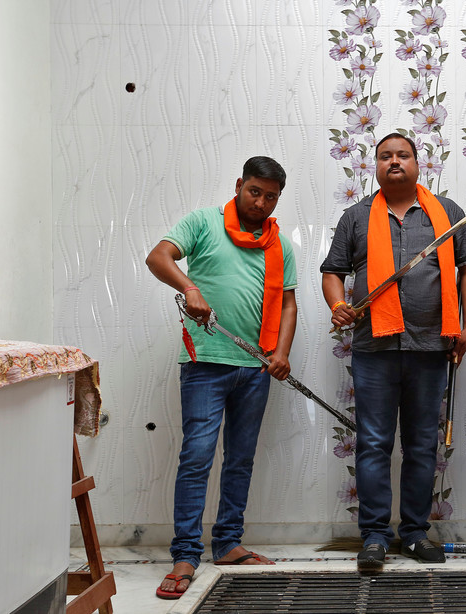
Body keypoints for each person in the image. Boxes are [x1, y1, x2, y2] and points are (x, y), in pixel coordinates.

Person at [321, 133, 466, 573]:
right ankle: (374, 536)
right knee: (373, 443)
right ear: (374, 165)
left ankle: (413, 533)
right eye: (385, 156)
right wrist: (338, 305)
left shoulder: (446, 212)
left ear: (417, 163)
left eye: (403, 155)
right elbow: (333, 273)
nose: (394, 161)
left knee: (422, 444)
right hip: (374, 347)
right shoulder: (355, 217)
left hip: (432, 347)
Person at [146, 156, 298, 599]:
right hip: (205, 363)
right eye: (255, 191)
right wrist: (189, 288)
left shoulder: (280, 245)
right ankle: (185, 555)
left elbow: (288, 304)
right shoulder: (203, 223)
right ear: (239, 185)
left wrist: (282, 353)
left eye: (271, 196)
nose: (262, 202)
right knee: (196, 457)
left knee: (241, 459)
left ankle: (228, 543)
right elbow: (159, 256)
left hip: (257, 367)